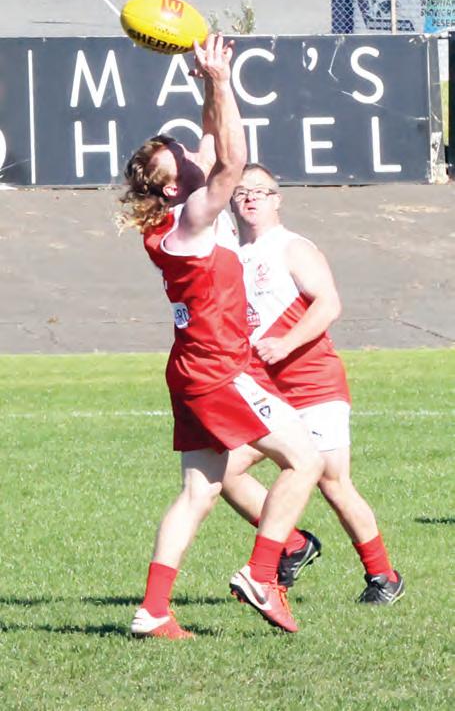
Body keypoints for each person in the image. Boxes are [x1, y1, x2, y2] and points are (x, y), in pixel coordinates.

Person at [119, 35, 323, 639]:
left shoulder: (178, 212)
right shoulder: (193, 216)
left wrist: (210, 82)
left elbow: (212, 140)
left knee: (199, 492)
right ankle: (262, 574)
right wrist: (224, 80)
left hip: (193, 366)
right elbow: (232, 162)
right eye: (179, 158)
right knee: (305, 459)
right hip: (220, 367)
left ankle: (153, 611)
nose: (190, 153)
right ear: (172, 187)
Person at [221, 162, 404, 605]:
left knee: (332, 482)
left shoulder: (292, 247)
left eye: (260, 191)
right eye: (242, 191)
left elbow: (328, 304)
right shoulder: (230, 255)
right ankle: (293, 545)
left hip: (311, 383)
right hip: (265, 389)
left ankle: (384, 576)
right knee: (223, 470)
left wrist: (286, 344)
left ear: (277, 200)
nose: (251, 197)